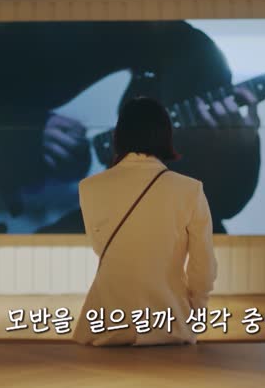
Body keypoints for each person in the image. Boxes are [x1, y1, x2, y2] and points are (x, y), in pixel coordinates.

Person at [0, 20, 261, 234]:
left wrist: (240, 149)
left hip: (147, 239)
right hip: (30, 220)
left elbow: (224, 206)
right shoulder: (31, 26)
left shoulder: (198, 53)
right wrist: (26, 137)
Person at [73, 97, 217, 346]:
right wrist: (197, 312)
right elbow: (203, 265)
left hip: (106, 325)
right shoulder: (190, 189)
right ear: (166, 135)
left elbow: (102, 247)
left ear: (118, 135)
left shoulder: (89, 187)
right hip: (170, 323)